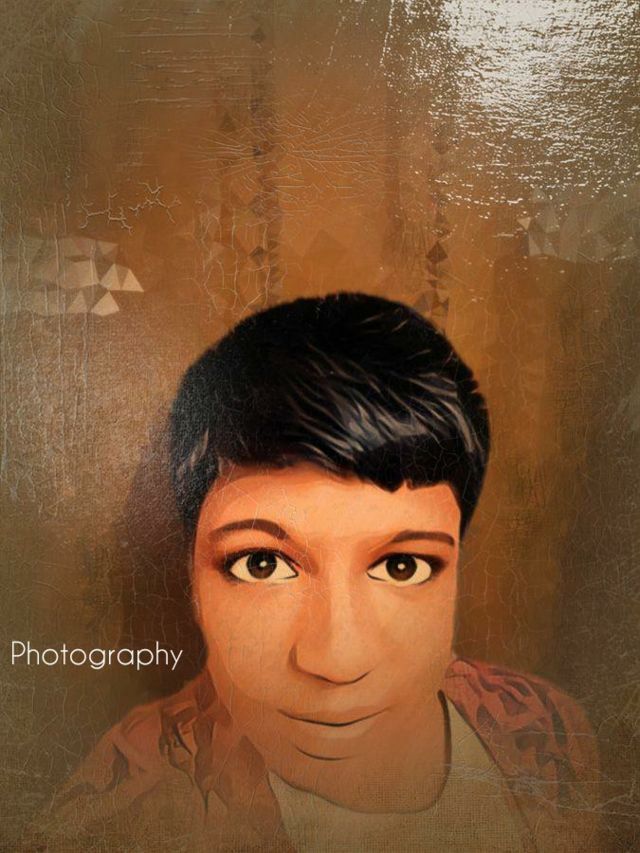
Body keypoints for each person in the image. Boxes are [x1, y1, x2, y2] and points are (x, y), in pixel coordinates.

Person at [27, 293, 600, 852]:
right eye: (262, 564)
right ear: (192, 581)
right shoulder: (126, 811)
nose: (336, 660)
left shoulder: (543, 727)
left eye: (402, 566)